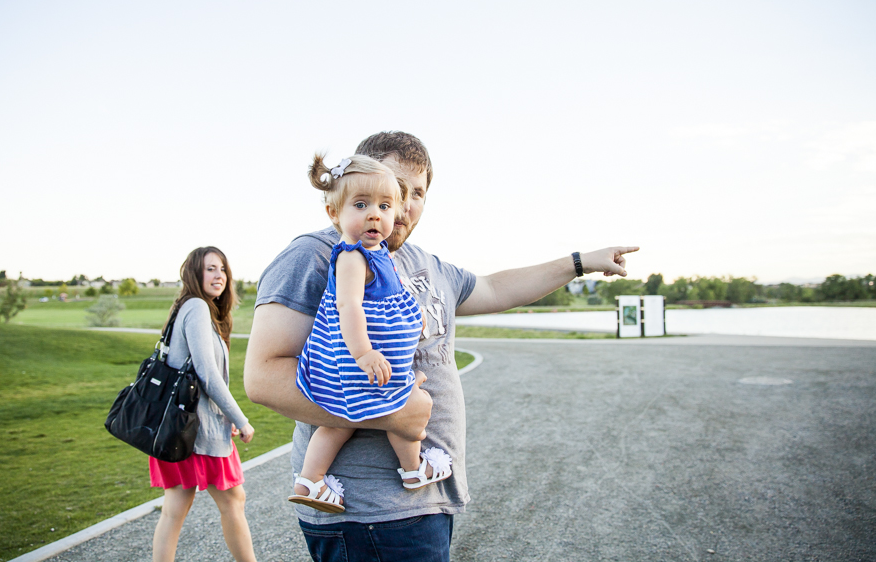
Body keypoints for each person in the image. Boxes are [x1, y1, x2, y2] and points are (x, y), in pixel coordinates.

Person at [246, 132, 637, 562]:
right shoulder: (319, 254)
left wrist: (579, 262)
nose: (403, 204)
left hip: (425, 503)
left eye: (416, 193)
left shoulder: (422, 263)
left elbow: (494, 287)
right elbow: (263, 377)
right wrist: (395, 412)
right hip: (367, 513)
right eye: (395, 187)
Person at [287, 154, 451, 514]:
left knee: (344, 421)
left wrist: (413, 318)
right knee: (396, 408)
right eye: (361, 205)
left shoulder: (377, 252)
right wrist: (363, 353)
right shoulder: (351, 256)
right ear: (334, 213)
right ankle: (414, 468)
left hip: (374, 363)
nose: (374, 214)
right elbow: (348, 307)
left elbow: (391, 296)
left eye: (384, 205)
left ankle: (311, 479)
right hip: (361, 363)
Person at [150, 246, 257, 562]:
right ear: (194, 273)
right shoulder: (196, 307)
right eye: (210, 268)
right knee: (232, 500)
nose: (219, 276)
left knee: (175, 508)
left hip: (181, 429)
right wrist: (240, 418)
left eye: (222, 269)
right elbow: (208, 375)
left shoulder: (189, 308)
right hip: (198, 433)